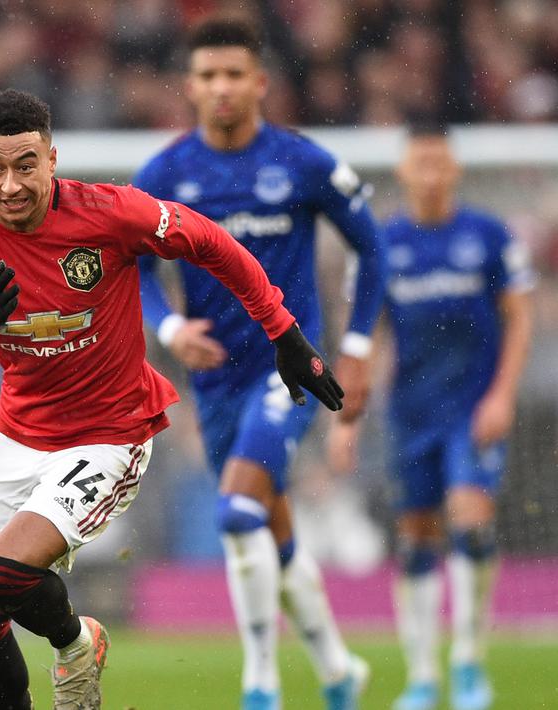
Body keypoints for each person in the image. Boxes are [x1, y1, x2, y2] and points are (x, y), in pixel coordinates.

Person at [0, 88, 344, 710]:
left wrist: (282, 331)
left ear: (53, 159)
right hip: (18, 434)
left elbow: (210, 241)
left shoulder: (109, 214)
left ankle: (75, 646)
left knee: (8, 572)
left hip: (110, 432)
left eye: (26, 165)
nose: (10, 185)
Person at [133, 17, 384, 710]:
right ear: (188, 86)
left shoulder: (301, 163)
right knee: (266, 525)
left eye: (233, 74)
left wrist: (356, 346)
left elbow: (372, 247)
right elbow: (132, 267)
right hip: (213, 382)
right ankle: (337, 668)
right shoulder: (165, 174)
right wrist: (171, 325)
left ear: (260, 83)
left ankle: (260, 686)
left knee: (239, 512)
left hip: (288, 375)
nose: (220, 87)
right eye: (207, 75)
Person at [330, 126, 533, 710]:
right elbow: (364, 339)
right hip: (410, 412)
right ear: (404, 172)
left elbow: (519, 318)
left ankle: (468, 664)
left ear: (456, 171)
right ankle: (422, 676)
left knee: (470, 517)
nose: (432, 174)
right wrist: (347, 420)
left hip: (472, 408)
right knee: (417, 537)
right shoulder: (382, 246)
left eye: (441, 163)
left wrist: (502, 396)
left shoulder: (488, 235)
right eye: (422, 164)